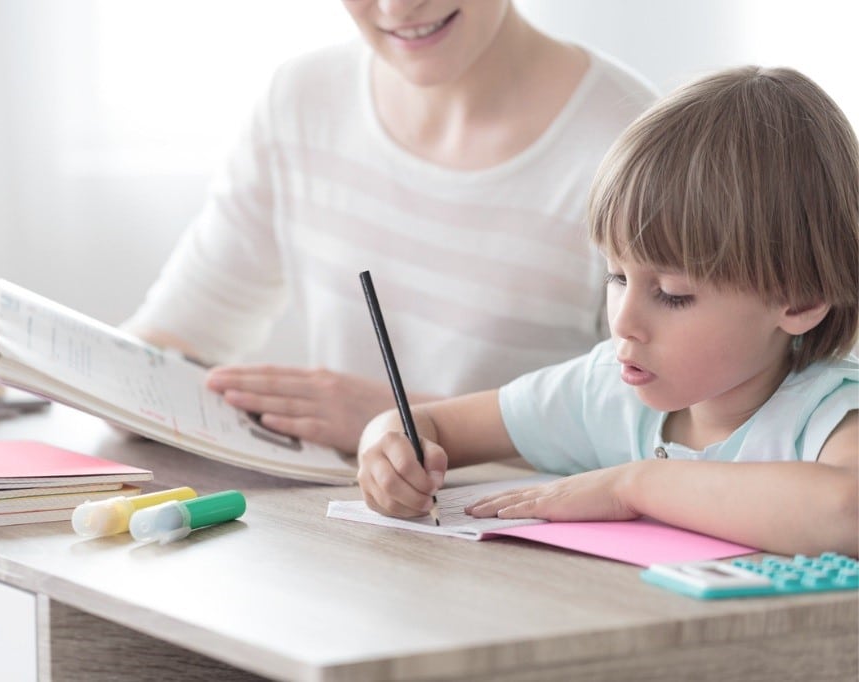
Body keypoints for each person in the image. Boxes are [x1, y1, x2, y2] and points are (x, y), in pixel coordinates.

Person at [356, 66, 859, 556]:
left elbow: (846, 511)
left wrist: (634, 485)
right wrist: (388, 450)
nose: (623, 322)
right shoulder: (605, 390)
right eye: (617, 277)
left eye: (672, 293)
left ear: (801, 299)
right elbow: (426, 425)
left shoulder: (829, 414)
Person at [123, 1, 657, 452]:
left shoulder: (635, 149)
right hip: (341, 532)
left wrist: (404, 419)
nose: (396, 8)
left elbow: (664, 434)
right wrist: (108, 386)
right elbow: (180, 330)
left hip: (525, 550)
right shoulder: (301, 100)